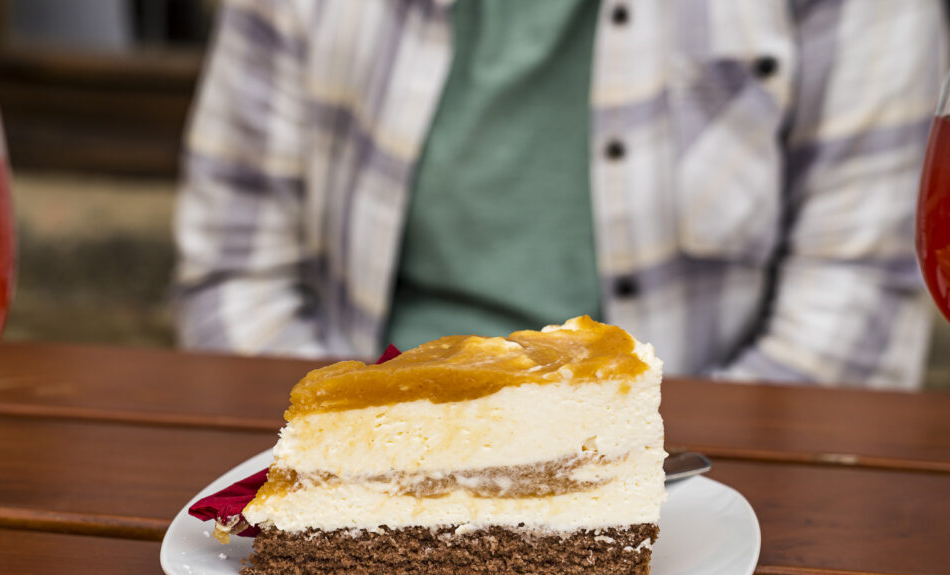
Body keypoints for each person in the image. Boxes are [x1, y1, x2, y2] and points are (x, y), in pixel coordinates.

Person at [172, 0, 948, 388]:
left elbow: (852, 323)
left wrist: (625, 486)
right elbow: (235, 277)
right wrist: (350, 456)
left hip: (687, 491)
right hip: (364, 465)